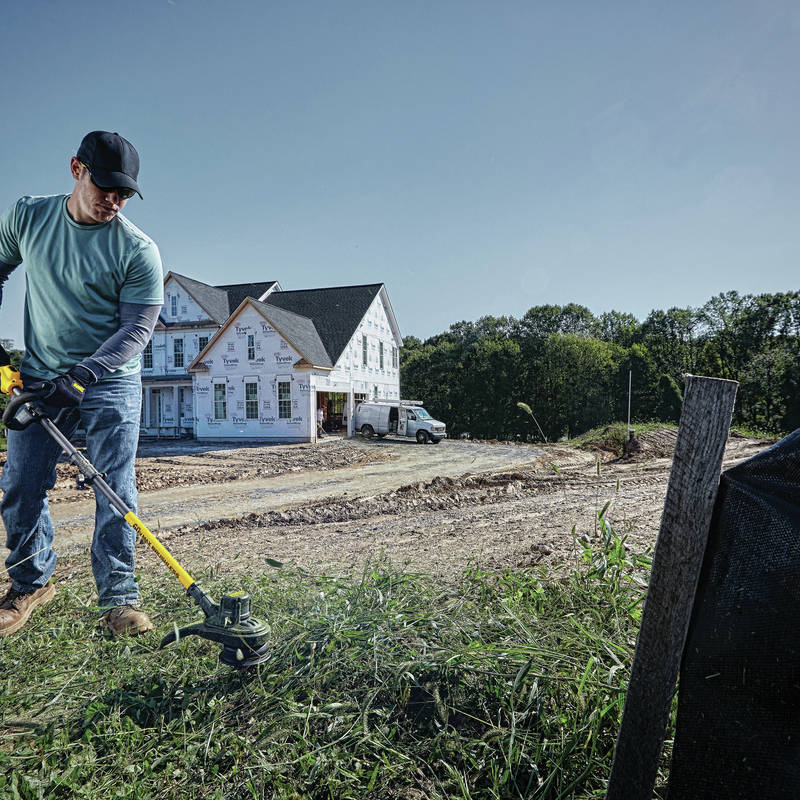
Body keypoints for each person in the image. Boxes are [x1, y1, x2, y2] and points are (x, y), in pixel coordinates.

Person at [0, 131, 164, 638]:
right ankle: (30, 584)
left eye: (124, 193)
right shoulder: (29, 216)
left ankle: (117, 599)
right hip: (40, 372)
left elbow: (136, 330)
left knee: (114, 487)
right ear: (77, 169)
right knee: (22, 484)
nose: (111, 200)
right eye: (104, 186)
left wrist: (81, 377)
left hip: (109, 380)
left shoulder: (137, 250)